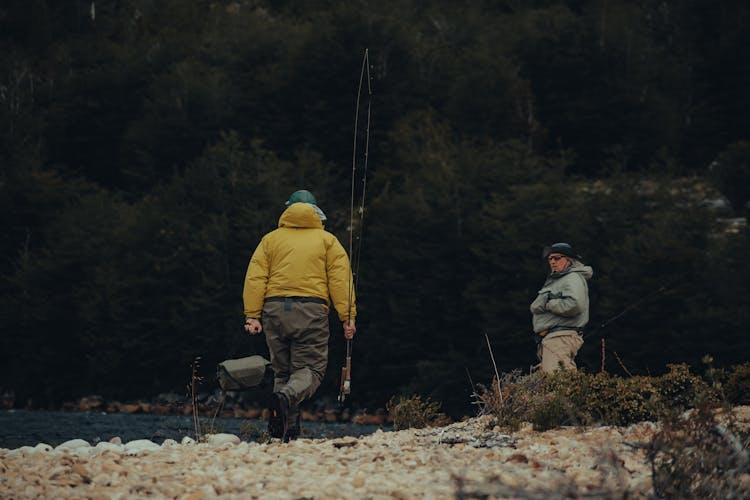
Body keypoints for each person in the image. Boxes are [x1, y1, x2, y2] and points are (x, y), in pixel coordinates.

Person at [243, 190, 356, 441]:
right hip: (311, 310)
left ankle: (284, 432)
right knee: (310, 370)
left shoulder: (270, 240)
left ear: (288, 210)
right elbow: (340, 280)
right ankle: (284, 400)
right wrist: (347, 316)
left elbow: (255, 277)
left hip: (273, 309)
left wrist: (252, 315)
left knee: (282, 373)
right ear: (316, 212)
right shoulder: (327, 241)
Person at [529, 242, 593, 373]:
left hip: (560, 339)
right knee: (554, 382)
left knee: (558, 381)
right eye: (550, 259)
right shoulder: (559, 279)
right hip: (552, 340)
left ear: (569, 260)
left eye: (557, 258)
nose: (552, 262)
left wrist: (549, 304)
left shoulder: (571, 278)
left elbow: (575, 305)